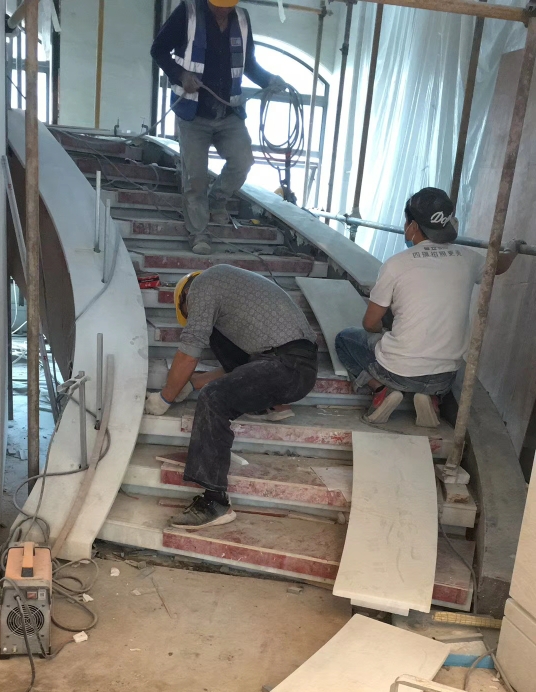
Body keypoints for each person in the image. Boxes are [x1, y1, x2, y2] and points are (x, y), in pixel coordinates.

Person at [144, 265, 318, 529]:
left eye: (190, 314)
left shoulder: (202, 286)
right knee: (215, 339)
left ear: (184, 297)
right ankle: (271, 404)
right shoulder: (231, 286)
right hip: (292, 365)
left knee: (214, 399)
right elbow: (241, 364)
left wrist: (164, 398)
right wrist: (193, 382)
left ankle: (215, 503)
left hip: (287, 367)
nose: (194, 318)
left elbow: (190, 349)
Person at [335, 187, 520, 427]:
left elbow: (369, 323)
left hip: (396, 371)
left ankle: (381, 390)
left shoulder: (395, 264)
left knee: (344, 339)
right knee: (433, 356)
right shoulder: (468, 258)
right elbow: (499, 265)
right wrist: (513, 249)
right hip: (444, 376)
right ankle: (431, 398)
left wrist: (383, 334)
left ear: (412, 226)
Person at [151, 0, 285, 255]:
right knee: (195, 178)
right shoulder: (188, 13)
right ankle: (199, 233)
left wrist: (268, 79)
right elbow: (158, 50)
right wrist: (181, 75)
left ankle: (216, 200)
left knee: (243, 161)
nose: (224, 10)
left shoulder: (242, 19)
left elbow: (248, 64)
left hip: (228, 113)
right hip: (193, 114)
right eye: (219, 5)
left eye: (228, 5)